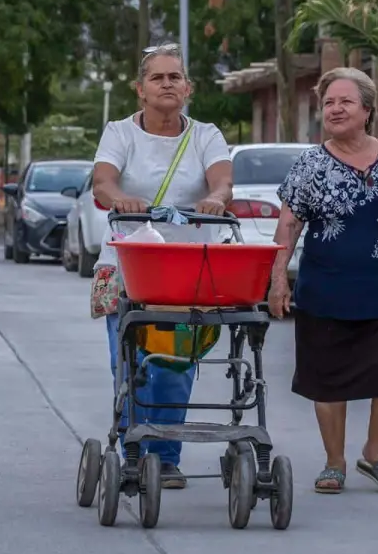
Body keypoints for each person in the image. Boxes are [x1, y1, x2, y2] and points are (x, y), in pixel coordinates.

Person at [266, 67, 378, 495]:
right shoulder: (310, 163)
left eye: (345, 102)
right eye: (329, 103)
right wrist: (278, 279)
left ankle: (375, 451)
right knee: (328, 377)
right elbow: (288, 225)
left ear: (368, 110)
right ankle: (334, 461)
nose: (335, 110)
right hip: (325, 290)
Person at [88, 43, 234, 489]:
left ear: (188, 88)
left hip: (184, 272)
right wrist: (121, 199)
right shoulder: (120, 132)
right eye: (158, 77)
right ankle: (132, 449)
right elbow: (103, 181)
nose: (167, 84)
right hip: (129, 265)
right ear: (140, 89)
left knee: (173, 365)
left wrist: (214, 199)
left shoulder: (206, 135)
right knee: (130, 363)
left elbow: (223, 180)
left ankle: (166, 456)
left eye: (175, 77)